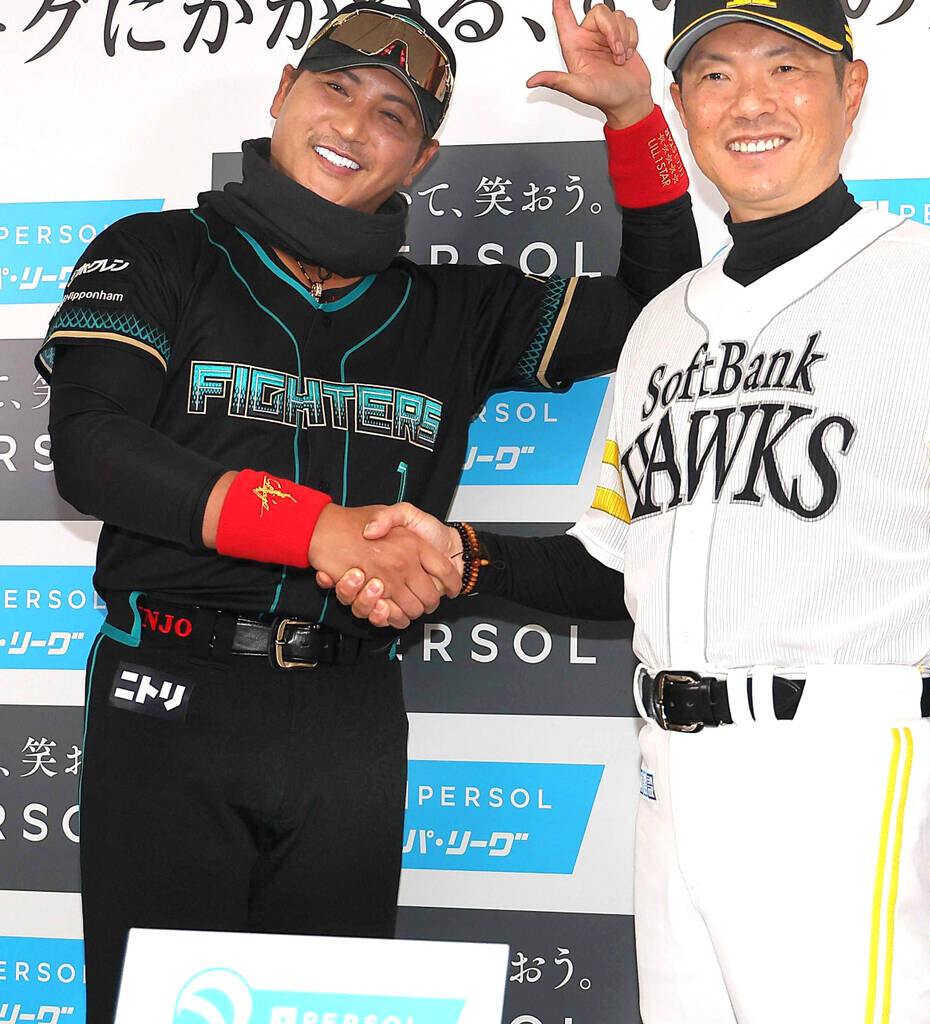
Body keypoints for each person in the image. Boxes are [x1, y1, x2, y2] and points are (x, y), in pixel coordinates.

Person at [325, 0, 930, 1019]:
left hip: (835, 769)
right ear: (685, 103)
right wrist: (462, 552)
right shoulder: (660, 324)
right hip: (667, 769)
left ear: (849, 90)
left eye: (786, 69)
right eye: (716, 74)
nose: (751, 103)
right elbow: (614, 568)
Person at [37, 2, 701, 1020]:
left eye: (392, 113)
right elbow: (92, 448)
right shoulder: (158, 252)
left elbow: (666, 308)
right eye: (334, 87)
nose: (353, 124)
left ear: (423, 158)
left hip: (348, 716)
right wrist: (316, 528)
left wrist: (632, 119)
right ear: (281, 97)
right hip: (168, 697)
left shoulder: (455, 310)